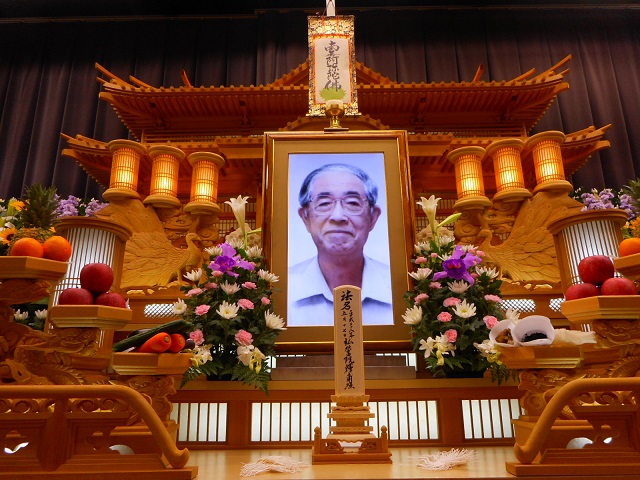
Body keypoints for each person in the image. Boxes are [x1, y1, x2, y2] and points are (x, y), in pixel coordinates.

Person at [287, 163, 393, 326]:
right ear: (306, 218)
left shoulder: (399, 287)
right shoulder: (282, 290)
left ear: (373, 217)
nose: (338, 216)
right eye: (324, 203)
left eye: (352, 203)